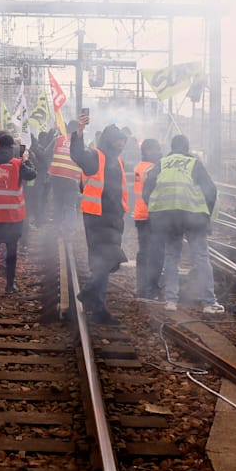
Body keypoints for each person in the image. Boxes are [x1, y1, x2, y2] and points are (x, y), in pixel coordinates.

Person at [146, 135, 222, 314]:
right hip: (193, 216)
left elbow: (147, 188)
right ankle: (209, 303)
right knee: (201, 257)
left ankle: (171, 301)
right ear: (187, 148)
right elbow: (211, 190)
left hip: (169, 218)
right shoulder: (193, 163)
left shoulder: (162, 163)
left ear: (171, 147)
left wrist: (156, 212)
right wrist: (207, 216)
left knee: (171, 256)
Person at [71, 113, 129, 326]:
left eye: (123, 141)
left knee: (102, 263)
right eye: (118, 141)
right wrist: (79, 131)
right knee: (108, 260)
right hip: (97, 217)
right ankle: (88, 293)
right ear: (109, 141)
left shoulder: (118, 160)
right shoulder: (95, 156)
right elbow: (76, 154)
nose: (121, 144)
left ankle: (98, 308)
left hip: (113, 218)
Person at [0, 132, 37, 294]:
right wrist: (26, 160)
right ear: (12, 147)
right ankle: (10, 286)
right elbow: (32, 175)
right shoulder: (18, 164)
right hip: (14, 217)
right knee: (11, 252)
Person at [131, 138, 164, 300]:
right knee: (156, 254)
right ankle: (152, 289)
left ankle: (142, 289)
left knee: (143, 253)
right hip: (152, 216)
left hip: (140, 215)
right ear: (148, 151)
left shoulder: (139, 167)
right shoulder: (152, 168)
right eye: (157, 149)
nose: (159, 152)